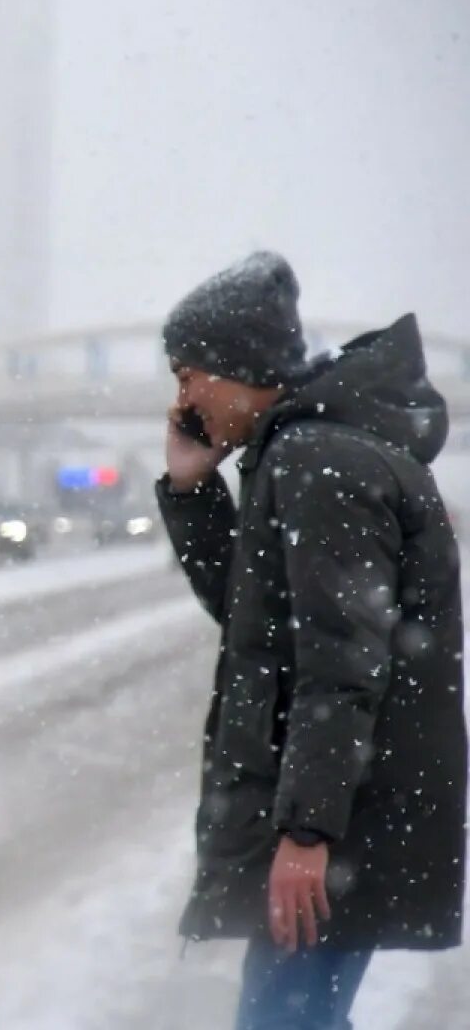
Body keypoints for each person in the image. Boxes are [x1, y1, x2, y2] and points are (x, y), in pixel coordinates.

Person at [155, 251, 466, 1030]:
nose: (184, 398)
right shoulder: (310, 450)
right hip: (350, 814)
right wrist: (193, 491)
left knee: (285, 1021)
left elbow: (341, 666)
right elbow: (261, 619)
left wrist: (307, 833)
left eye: (190, 374)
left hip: (346, 822)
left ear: (238, 366)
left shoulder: (318, 458)